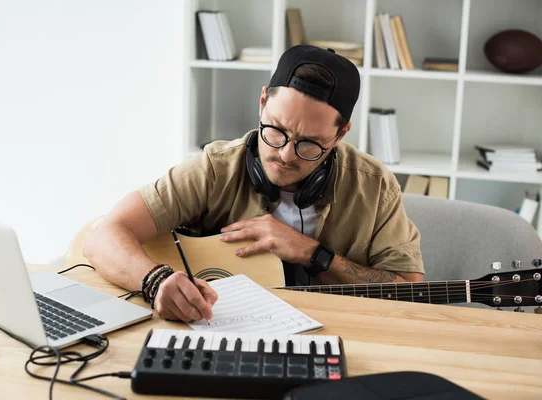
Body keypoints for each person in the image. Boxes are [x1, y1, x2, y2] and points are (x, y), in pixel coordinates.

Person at [83, 45, 424, 323]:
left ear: (340, 134)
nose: (286, 155)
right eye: (276, 130)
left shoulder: (376, 186)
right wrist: (155, 282)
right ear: (262, 102)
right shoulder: (215, 168)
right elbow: (104, 236)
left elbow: (411, 290)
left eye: (309, 143)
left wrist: (312, 253)